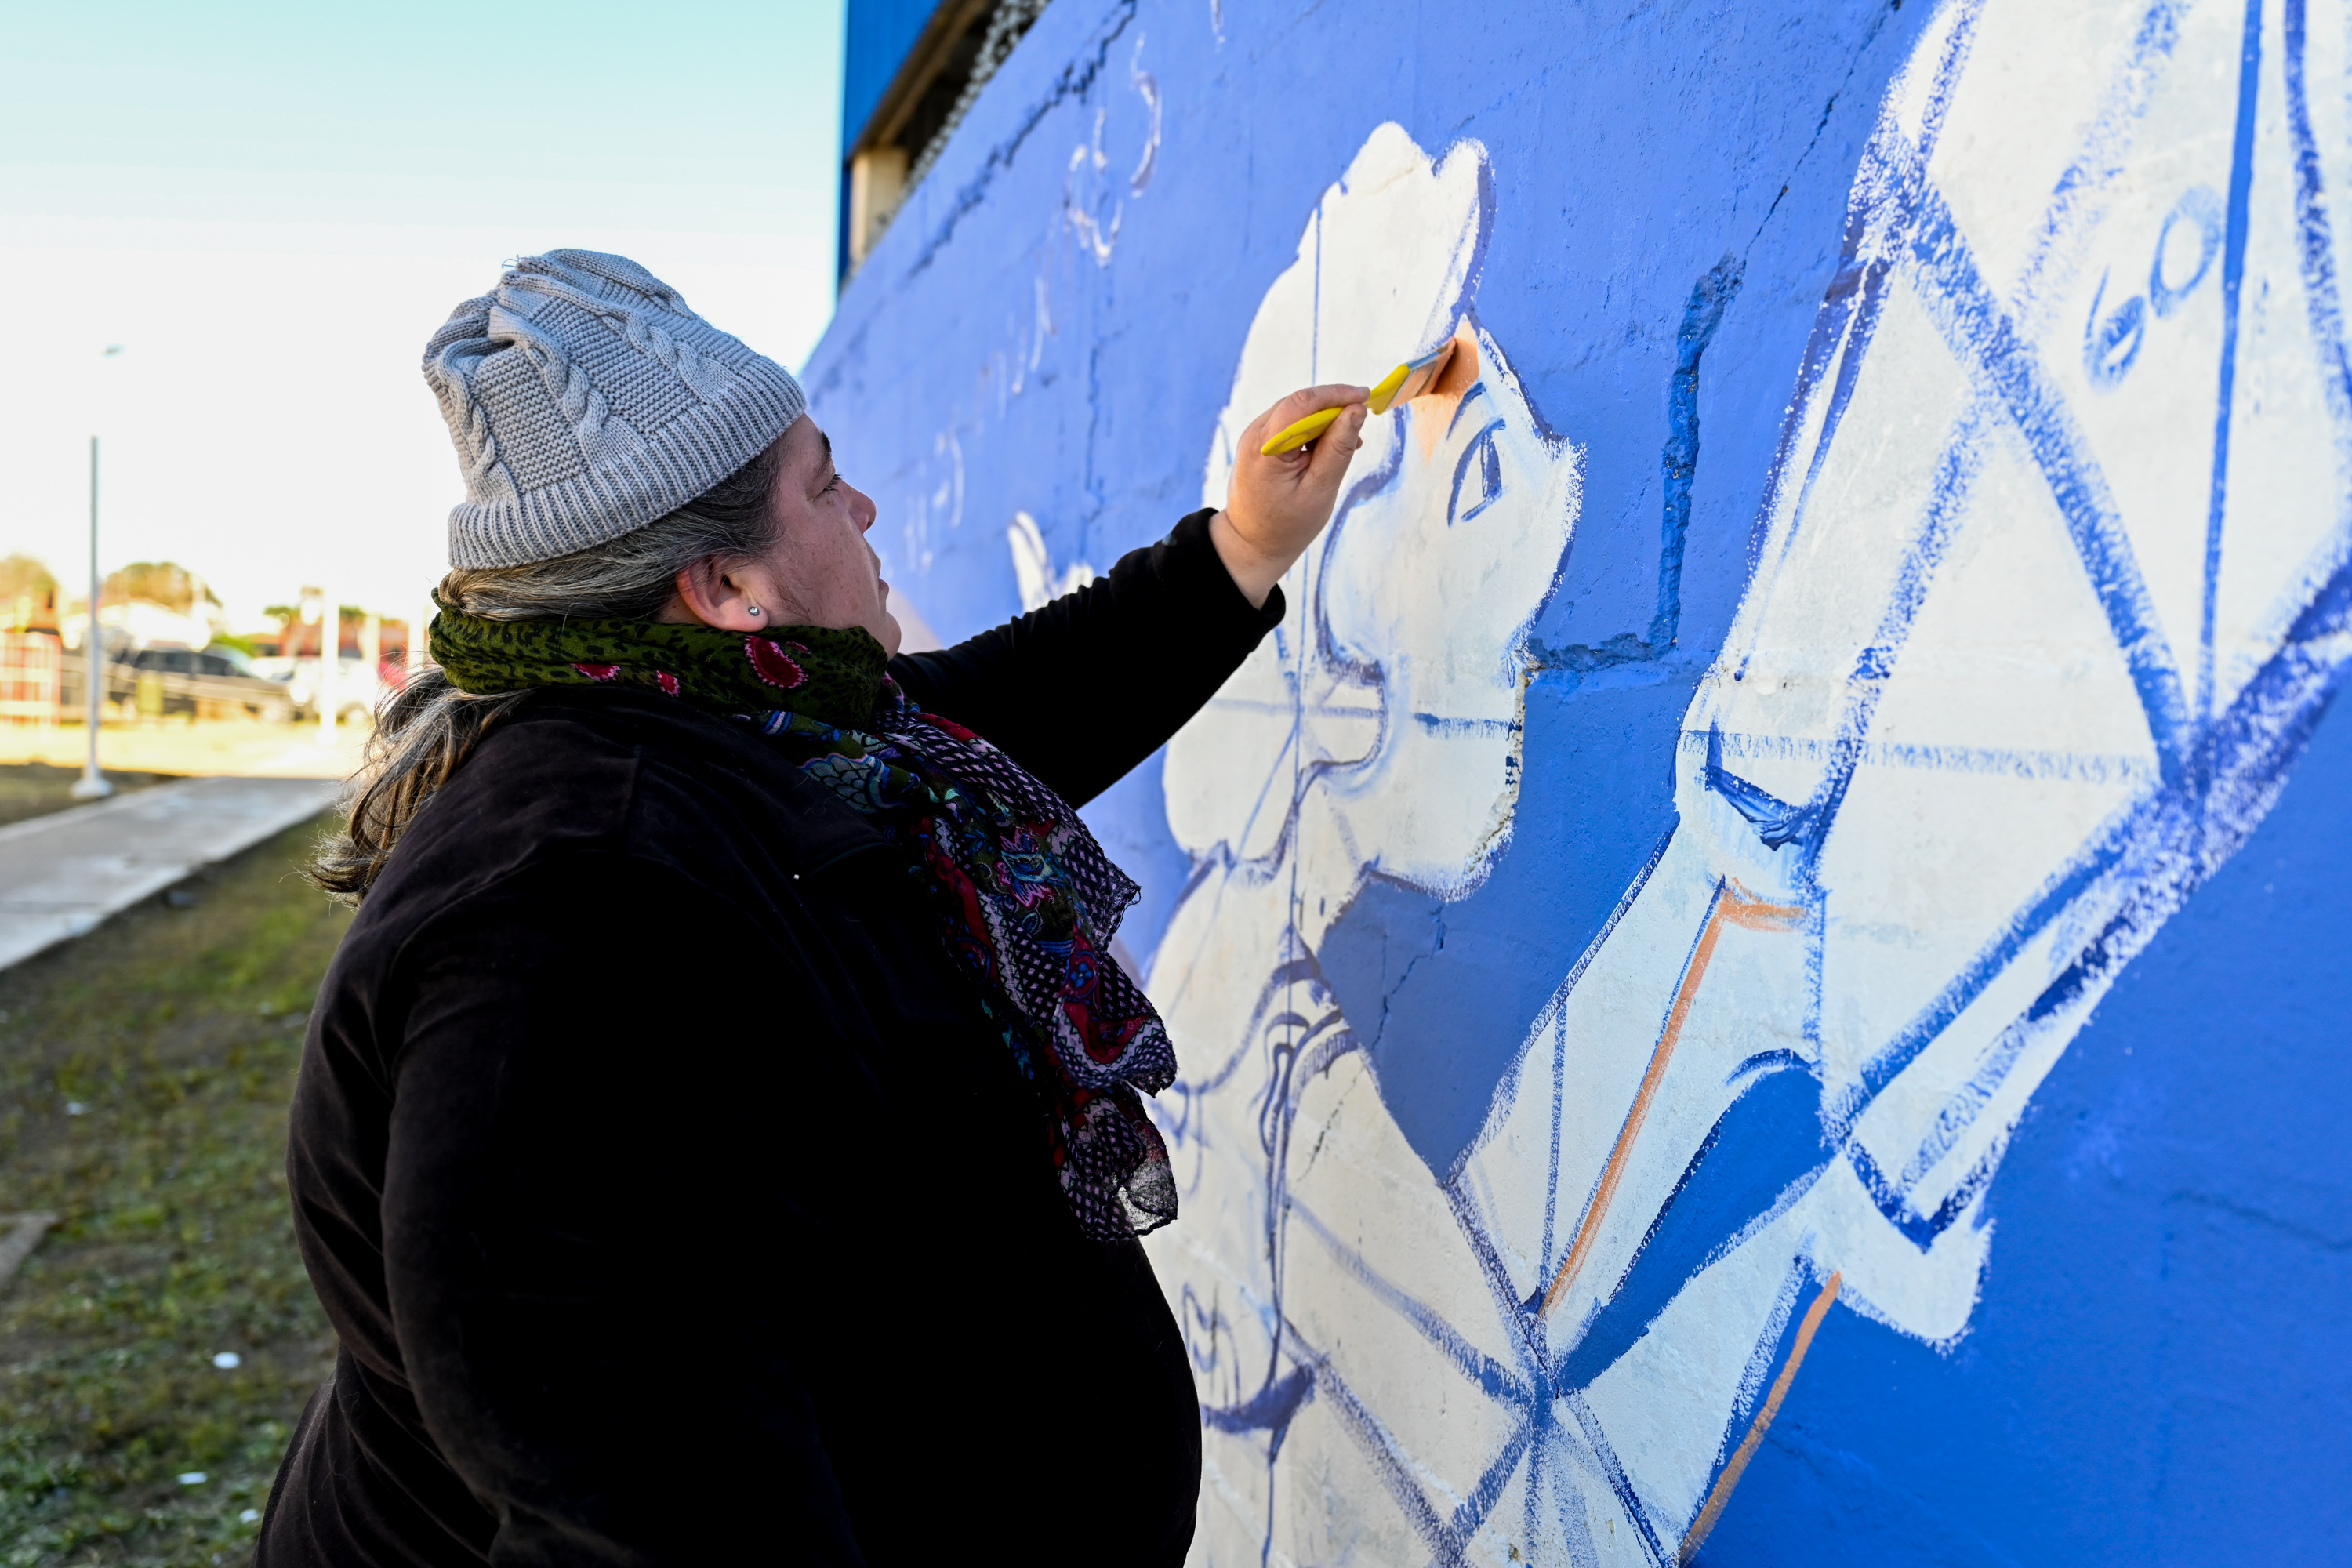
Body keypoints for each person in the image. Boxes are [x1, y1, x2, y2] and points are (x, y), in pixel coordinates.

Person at [253, 249, 1370, 1566]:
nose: (870, 508)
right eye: (826, 485)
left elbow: (992, 719)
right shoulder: (578, 922)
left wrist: (1240, 548)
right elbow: (636, 1507)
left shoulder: (745, 724)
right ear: (725, 588)